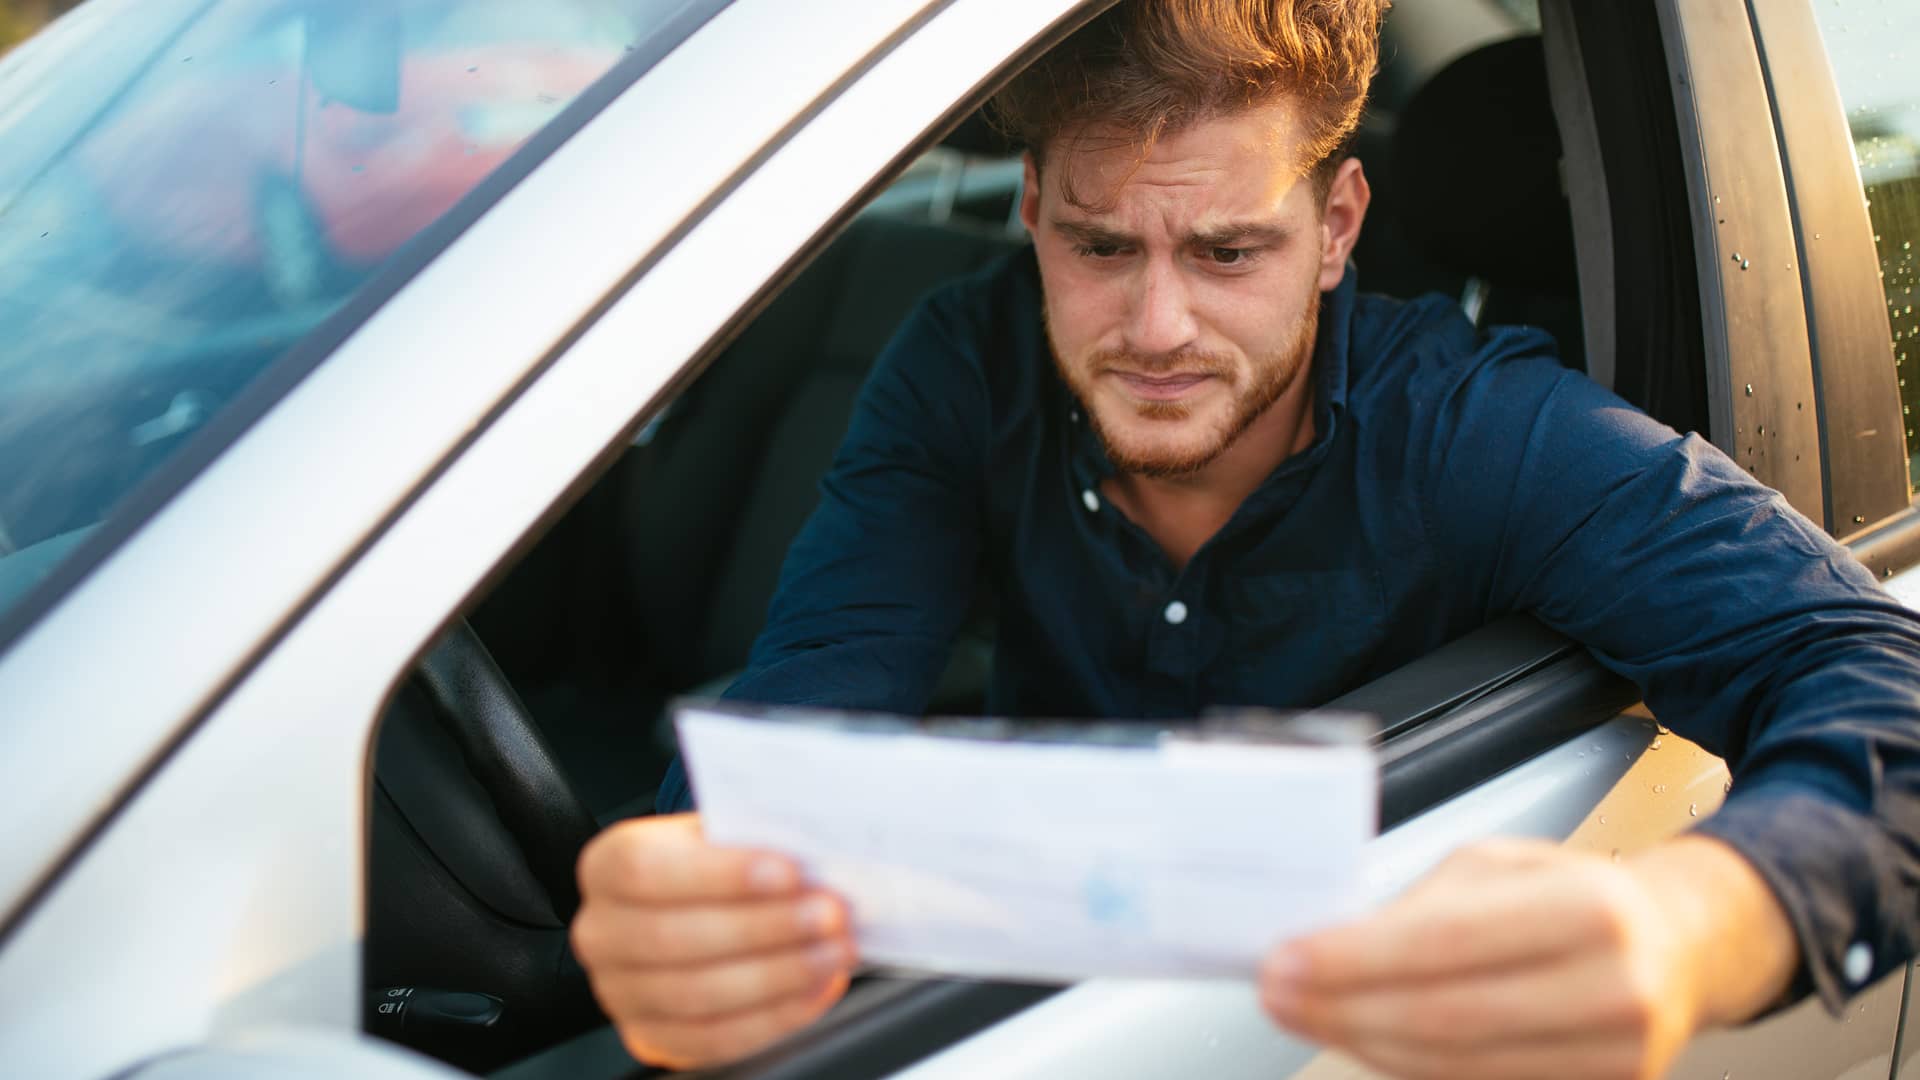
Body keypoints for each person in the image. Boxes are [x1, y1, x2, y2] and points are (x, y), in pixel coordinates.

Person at [567, 1, 1920, 1075]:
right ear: (1031, 210)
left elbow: (1888, 685)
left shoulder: (1477, 429)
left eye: (1227, 253)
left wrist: (1693, 927)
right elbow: (814, 704)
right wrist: (699, 900)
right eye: (1102, 249)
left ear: (1336, 228)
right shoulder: (966, 366)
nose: (1156, 330)